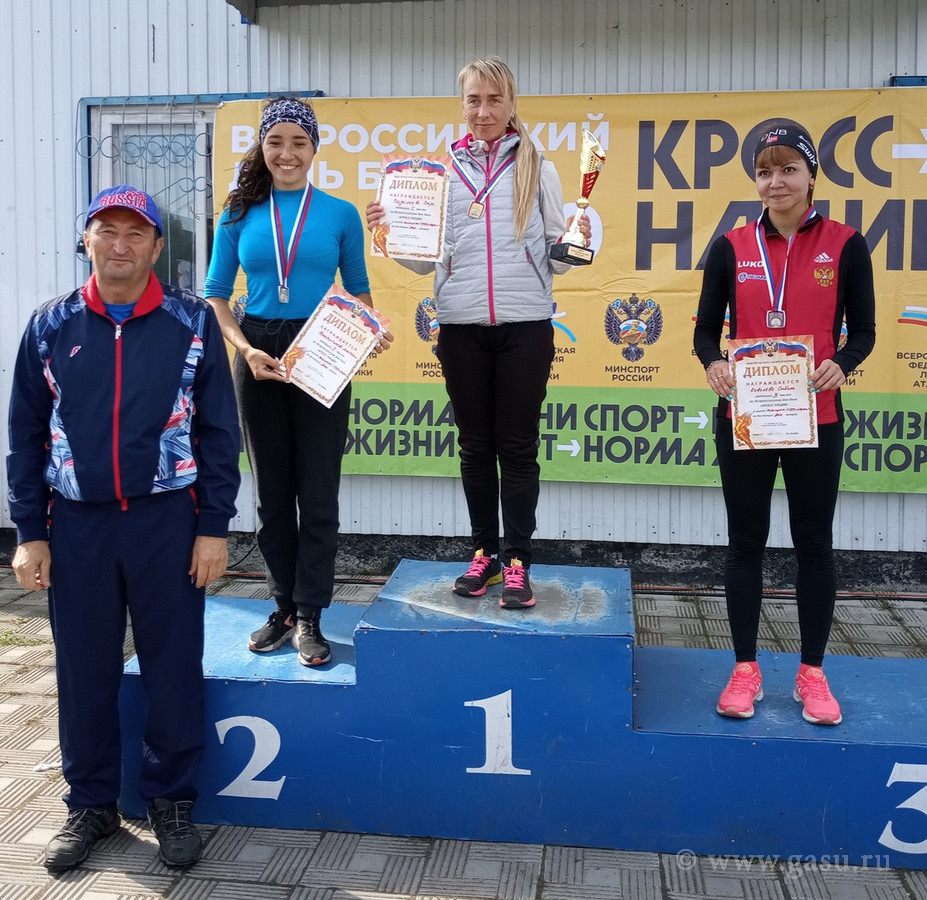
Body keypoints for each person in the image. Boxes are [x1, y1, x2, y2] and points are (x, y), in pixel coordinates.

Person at [7, 185, 241, 870]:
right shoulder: (50, 325)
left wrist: (213, 526)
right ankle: (90, 805)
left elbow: (219, 431)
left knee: (172, 667)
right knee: (84, 670)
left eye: (135, 233)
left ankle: (171, 800)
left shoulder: (190, 322)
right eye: (106, 230)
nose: (120, 244)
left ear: (157, 246)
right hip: (77, 525)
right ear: (86, 240)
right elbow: (25, 434)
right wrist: (29, 531)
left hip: (167, 522)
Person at [366, 57, 589, 609]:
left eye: (494, 100)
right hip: (461, 326)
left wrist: (576, 243)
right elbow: (426, 262)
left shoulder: (538, 166)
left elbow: (558, 255)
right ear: (462, 104)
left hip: (525, 326)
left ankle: (518, 561)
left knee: (517, 446)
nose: (483, 111)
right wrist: (391, 233)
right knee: (474, 447)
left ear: (511, 104)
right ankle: (484, 553)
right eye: (473, 100)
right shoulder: (441, 175)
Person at [693, 121, 876, 726]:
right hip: (746, 417)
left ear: (811, 175)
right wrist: (714, 363)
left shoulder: (846, 244)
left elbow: (864, 331)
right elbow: (705, 331)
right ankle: (745, 669)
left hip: (815, 416)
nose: (776, 182)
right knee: (745, 543)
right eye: (765, 171)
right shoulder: (731, 246)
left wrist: (842, 363)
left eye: (788, 169)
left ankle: (812, 673)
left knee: (814, 545)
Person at [204, 97, 390, 666]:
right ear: (262, 146)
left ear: (314, 149)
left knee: (319, 491)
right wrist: (246, 349)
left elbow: (358, 291)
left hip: (322, 347)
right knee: (271, 493)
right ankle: (283, 606)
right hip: (258, 349)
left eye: (299, 142)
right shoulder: (238, 213)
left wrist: (368, 330)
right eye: (276, 141)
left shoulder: (339, 214)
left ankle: (311, 613)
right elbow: (216, 295)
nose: (287, 153)